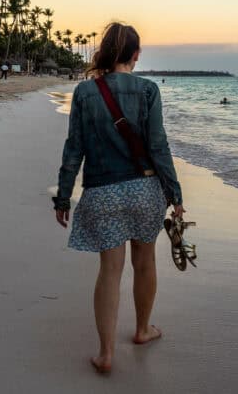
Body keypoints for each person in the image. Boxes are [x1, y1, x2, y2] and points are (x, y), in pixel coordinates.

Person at [53, 22, 184, 374]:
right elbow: (158, 146)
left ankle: (106, 353)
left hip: (101, 192)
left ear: (106, 52)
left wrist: (63, 197)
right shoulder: (148, 90)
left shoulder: (84, 92)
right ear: (136, 55)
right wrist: (175, 194)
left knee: (109, 271)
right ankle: (142, 330)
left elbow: (73, 149)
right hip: (144, 190)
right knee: (145, 262)